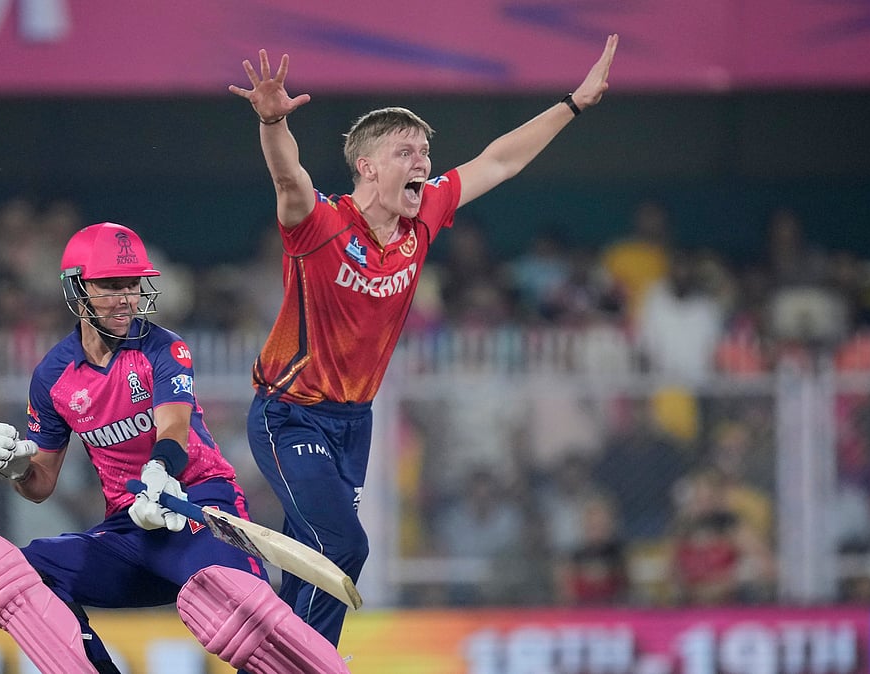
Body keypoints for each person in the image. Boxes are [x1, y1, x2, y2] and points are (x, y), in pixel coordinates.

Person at [228, 35, 619, 646]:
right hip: (289, 416)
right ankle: (306, 658)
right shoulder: (321, 224)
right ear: (367, 167)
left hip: (354, 422)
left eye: (426, 152)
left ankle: (270, 646)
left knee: (313, 553)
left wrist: (572, 103)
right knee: (342, 545)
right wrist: (273, 122)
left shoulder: (424, 217)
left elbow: (500, 161)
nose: (422, 162)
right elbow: (287, 177)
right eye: (405, 152)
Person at [0, 222, 349, 674]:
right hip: (130, 530)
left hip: (201, 508)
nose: (126, 298)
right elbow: (41, 483)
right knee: (29, 573)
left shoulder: (165, 349)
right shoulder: (52, 376)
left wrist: (159, 473)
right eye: (110, 285)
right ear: (77, 288)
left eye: (132, 284)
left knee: (244, 615)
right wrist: (17, 468)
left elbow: (174, 430)